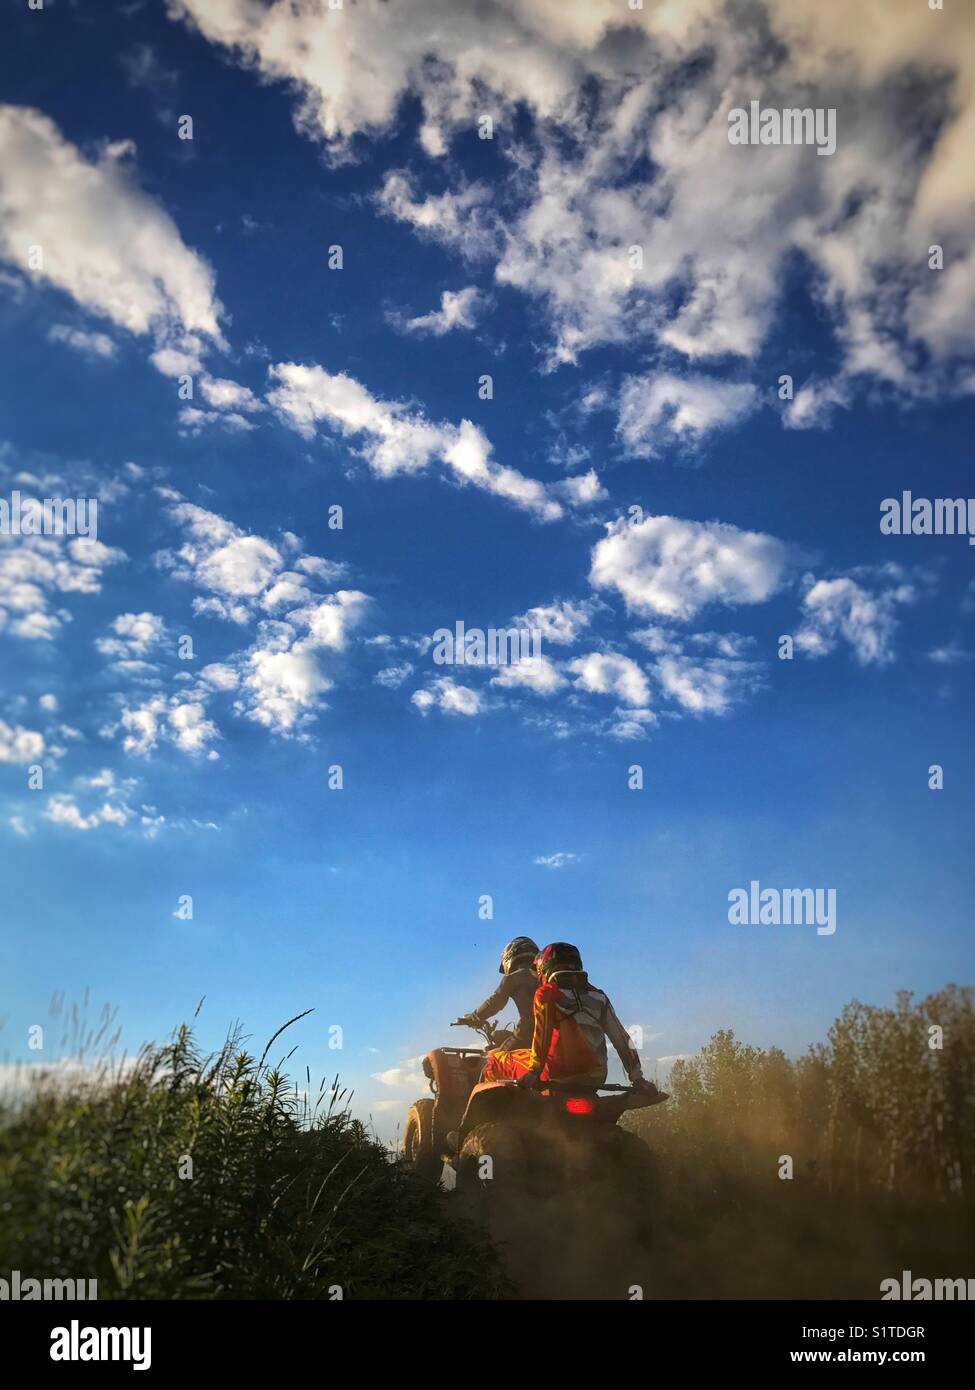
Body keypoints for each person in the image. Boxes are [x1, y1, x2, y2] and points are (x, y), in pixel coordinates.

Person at [482, 941, 657, 1092]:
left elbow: (541, 1038)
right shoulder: (599, 997)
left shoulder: (546, 994)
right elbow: (622, 1039)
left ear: (544, 966)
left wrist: (534, 1072)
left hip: (556, 1074)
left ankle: (475, 1123)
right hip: (596, 1076)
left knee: (495, 1061)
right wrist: (637, 1078)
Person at [455, 936, 540, 1050]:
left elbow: (496, 1001)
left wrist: (473, 1017)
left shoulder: (513, 977)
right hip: (552, 1034)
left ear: (510, 957)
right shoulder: (545, 976)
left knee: (495, 1059)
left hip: (527, 1034)